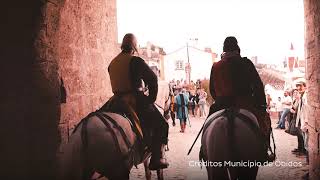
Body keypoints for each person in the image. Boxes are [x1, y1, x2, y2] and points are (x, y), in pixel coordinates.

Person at [108, 33, 169, 170]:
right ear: (134, 47)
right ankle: (157, 157)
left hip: (114, 101)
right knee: (162, 124)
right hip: (134, 100)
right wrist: (150, 99)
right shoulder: (135, 61)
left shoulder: (112, 63)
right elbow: (152, 79)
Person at [208, 36, 272, 158]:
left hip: (221, 104)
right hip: (245, 104)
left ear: (224, 50)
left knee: (208, 123)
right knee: (264, 122)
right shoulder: (246, 63)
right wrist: (262, 105)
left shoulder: (215, 66)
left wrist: (220, 99)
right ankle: (265, 151)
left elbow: (212, 90)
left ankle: (204, 150)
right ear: (237, 48)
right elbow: (258, 86)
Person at [294, 80, 308, 159]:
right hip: (301, 120)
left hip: (306, 121)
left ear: (305, 87)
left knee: (306, 140)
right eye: (297, 86)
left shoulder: (306, 96)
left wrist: (306, 121)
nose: (299, 88)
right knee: (304, 139)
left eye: (300, 86)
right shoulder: (301, 96)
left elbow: (307, 109)